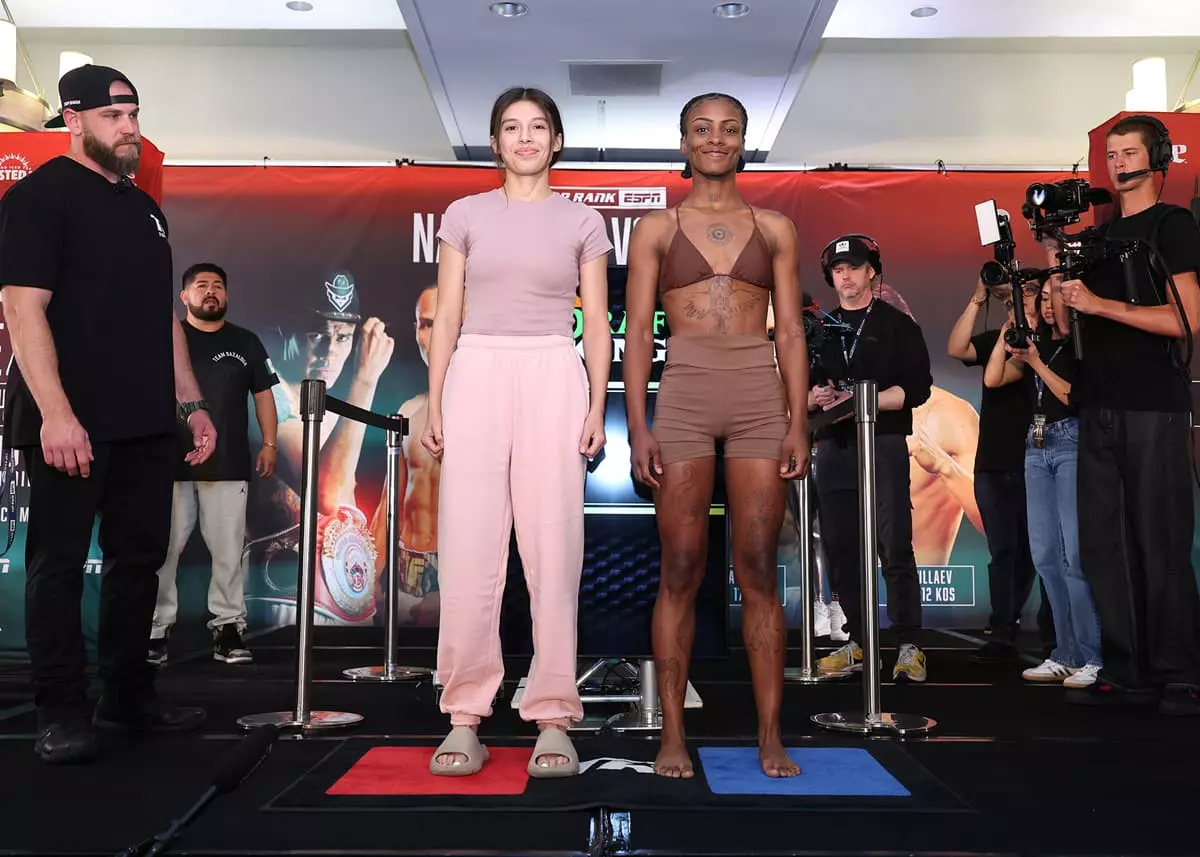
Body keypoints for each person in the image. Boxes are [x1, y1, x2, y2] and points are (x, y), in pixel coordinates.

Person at [0, 64, 216, 764]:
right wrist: (57, 415)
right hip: (72, 420)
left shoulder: (145, 209)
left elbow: (163, 319)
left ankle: (126, 696)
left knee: (140, 561)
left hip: (147, 420)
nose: (129, 128)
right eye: (113, 116)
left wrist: (191, 403)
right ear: (74, 120)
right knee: (58, 566)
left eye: (134, 115)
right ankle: (60, 710)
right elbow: (22, 309)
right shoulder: (39, 198)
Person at [422, 87, 611, 777]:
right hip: (475, 367)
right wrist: (437, 401)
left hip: (553, 369)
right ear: (495, 142)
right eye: (511, 126)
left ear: (556, 140)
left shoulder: (583, 220)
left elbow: (596, 321)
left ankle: (554, 714)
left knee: (553, 548)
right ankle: (464, 714)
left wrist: (595, 406)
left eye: (537, 126)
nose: (525, 137)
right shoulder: (464, 214)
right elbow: (447, 316)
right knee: (469, 547)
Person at [626, 92, 809, 779]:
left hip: (758, 396)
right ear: (684, 140)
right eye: (702, 128)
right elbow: (636, 333)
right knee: (680, 567)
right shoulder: (656, 228)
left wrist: (797, 420)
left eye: (729, 129)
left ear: (743, 142)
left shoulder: (776, 227)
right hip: (685, 397)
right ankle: (672, 735)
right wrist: (638, 425)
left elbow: (790, 332)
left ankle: (770, 735)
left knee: (757, 568)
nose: (715, 138)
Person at [1059, 115, 1200, 715]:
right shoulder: (1099, 235)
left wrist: (1098, 304)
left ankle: (1180, 673)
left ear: (1157, 157)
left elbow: (1186, 320)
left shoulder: (1172, 225)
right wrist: (1064, 287)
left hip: (1152, 404)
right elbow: (1070, 326)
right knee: (1104, 545)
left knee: (1159, 541)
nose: (1117, 164)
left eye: (1128, 153)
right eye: (1111, 154)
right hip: (1097, 402)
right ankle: (1127, 668)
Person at [809, 235, 931, 682]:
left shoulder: (897, 325)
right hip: (834, 446)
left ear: (871, 272)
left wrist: (862, 400)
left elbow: (917, 389)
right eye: (838, 269)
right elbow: (803, 389)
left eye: (853, 268)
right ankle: (860, 641)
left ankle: (909, 644)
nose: (845, 277)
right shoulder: (820, 330)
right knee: (841, 547)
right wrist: (816, 396)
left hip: (882, 442)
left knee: (893, 543)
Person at [242, 272, 393, 627]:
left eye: (343, 337)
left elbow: (344, 512)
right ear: (286, 330)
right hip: (288, 600)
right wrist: (365, 379)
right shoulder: (265, 395)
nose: (331, 352)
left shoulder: (330, 408)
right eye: (317, 335)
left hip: (347, 604)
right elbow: (326, 492)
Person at [148, 263, 280, 666]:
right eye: (201, 285)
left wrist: (270, 443)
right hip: (168, 464)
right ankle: (154, 630)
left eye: (218, 286)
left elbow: (263, 395)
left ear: (226, 295)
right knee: (161, 551)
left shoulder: (246, 342)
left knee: (227, 552)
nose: (210, 292)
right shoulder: (163, 339)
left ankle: (228, 628)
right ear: (183, 297)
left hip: (227, 464)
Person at [984, 275, 1100, 688]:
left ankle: (1093, 655)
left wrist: (1034, 362)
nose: (1048, 305)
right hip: (1035, 447)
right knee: (1046, 556)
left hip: (1071, 442)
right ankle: (1065, 654)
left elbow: (1072, 395)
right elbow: (993, 378)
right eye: (1043, 298)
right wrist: (1006, 336)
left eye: (1055, 298)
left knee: (1074, 558)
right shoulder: (1039, 344)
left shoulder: (1081, 344)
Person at [947, 276, 1053, 662]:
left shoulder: (1052, 344)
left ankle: (1053, 635)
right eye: (1016, 294)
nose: (1021, 299)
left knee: (1042, 553)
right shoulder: (1000, 338)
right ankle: (1002, 631)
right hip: (993, 462)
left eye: (1031, 292)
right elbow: (956, 347)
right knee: (1003, 552)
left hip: (1038, 459)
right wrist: (979, 298)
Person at [369, 285, 441, 626]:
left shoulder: (489, 410)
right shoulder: (408, 411)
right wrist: (372, 573)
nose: (435, 335)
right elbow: (390, 504)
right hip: (406, 566)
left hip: (459, 565)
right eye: (426, 324)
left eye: (446, 322)